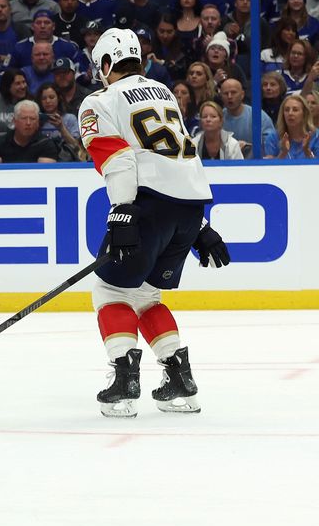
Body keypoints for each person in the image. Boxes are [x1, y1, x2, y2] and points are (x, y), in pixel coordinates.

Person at [77, 27, 230, 418]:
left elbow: (119, 160)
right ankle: (180, 379)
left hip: (147, 204)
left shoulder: (100, 100)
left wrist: (122, 211)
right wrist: (200, 228)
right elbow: (179, 160)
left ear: (107, 63)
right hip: (189, 206)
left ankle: (124, 383)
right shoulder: (164, 93)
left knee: (110, 293)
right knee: (146, 296)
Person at [0, 99, 59, 163]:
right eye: (24, 118)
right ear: (14, 121)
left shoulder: (46, 144)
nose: (28, 123)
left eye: (32, 119)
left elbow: (45, 174)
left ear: (38, 123)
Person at [220, 77, 276, 157]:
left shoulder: (259, 116)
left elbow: (270, 145)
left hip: (254, 164)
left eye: (233, 92)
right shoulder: (218, 117)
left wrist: (249, 146)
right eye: (226, 93)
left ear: (242, 94)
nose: (229, 96)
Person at [264, 95, 319, 159]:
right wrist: (283, 152)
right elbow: (270, 167)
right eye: (287, 110)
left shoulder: (316, 136)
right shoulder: (273, 137)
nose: (290, 113)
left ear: (304, 114)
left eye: (295, 110)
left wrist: (307, 151)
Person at [36, 82, 80, 160]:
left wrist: (61, 128)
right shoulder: (35, 119)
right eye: (44, 98)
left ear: (59, 98)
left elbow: (76, 146)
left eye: (51, 97)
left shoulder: (70, 118)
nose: (48, 101)